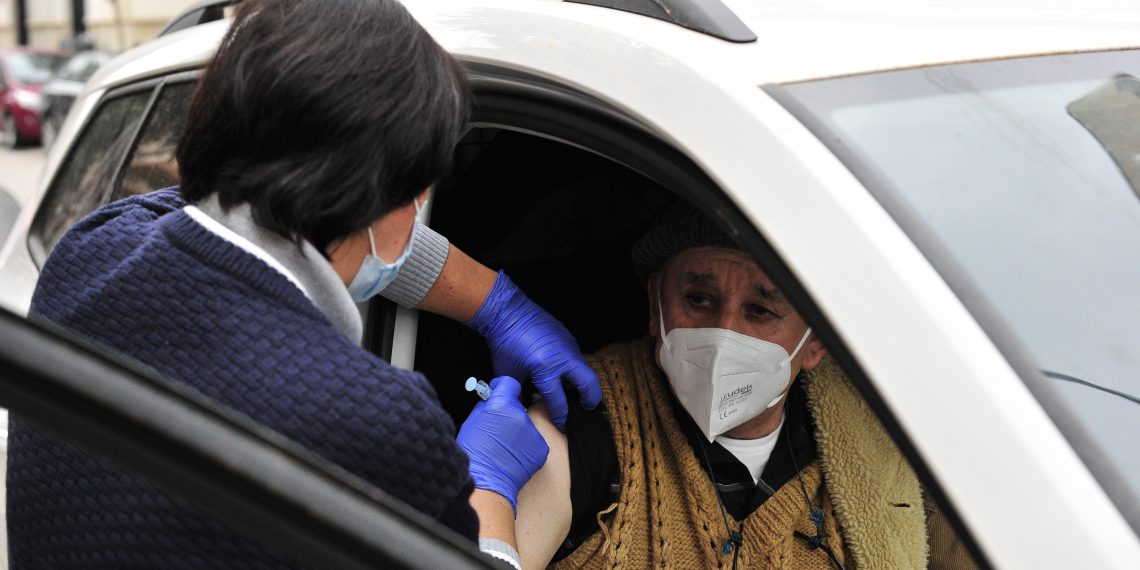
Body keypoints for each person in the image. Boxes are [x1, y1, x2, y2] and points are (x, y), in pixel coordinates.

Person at [7, 1, 590, 568]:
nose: (419, 214)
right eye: (418, 195)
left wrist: (496, 305)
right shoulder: (379, 424)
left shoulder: (89, 248)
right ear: (376, 198)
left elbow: (233, 209)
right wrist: (489, 487)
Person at [513, 204, 977, 569]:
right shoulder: (587, 414)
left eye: (760, 311)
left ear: (815, 343)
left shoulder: (880, 442)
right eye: (698, 299)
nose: (724, 333)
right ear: (656, 305)